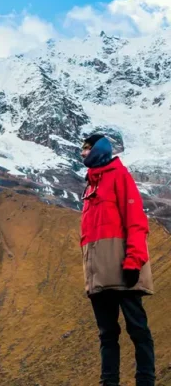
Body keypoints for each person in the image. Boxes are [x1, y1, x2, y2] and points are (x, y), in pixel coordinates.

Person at [80, 134, 155, 386]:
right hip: (99, 275)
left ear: (99, 149)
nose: (82, 153)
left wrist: (134, 261)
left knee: (138, 330)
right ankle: (108, 382)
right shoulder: (90, 185)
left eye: (87, 148)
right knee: (107, 334)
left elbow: (136, 221)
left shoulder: (120, 177)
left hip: (124, 270)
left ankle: (146, 381)